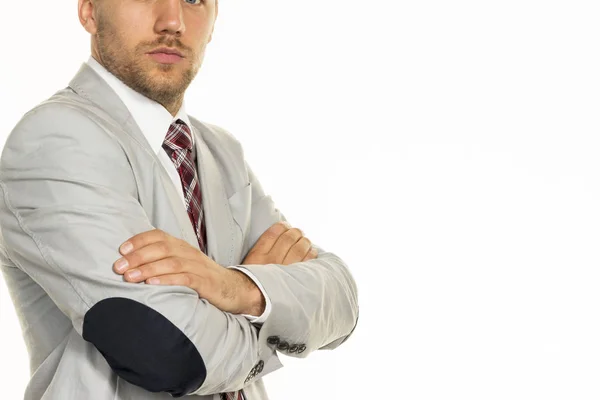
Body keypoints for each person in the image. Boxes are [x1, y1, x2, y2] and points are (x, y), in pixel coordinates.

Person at [0, 1, 359, 399]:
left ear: (214, 19)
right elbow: (167, 353)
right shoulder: (55, 139)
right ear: (89, 12)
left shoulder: (221, 151)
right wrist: (276, 310)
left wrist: (237, 286)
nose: (172, 21)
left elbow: (341, 303)